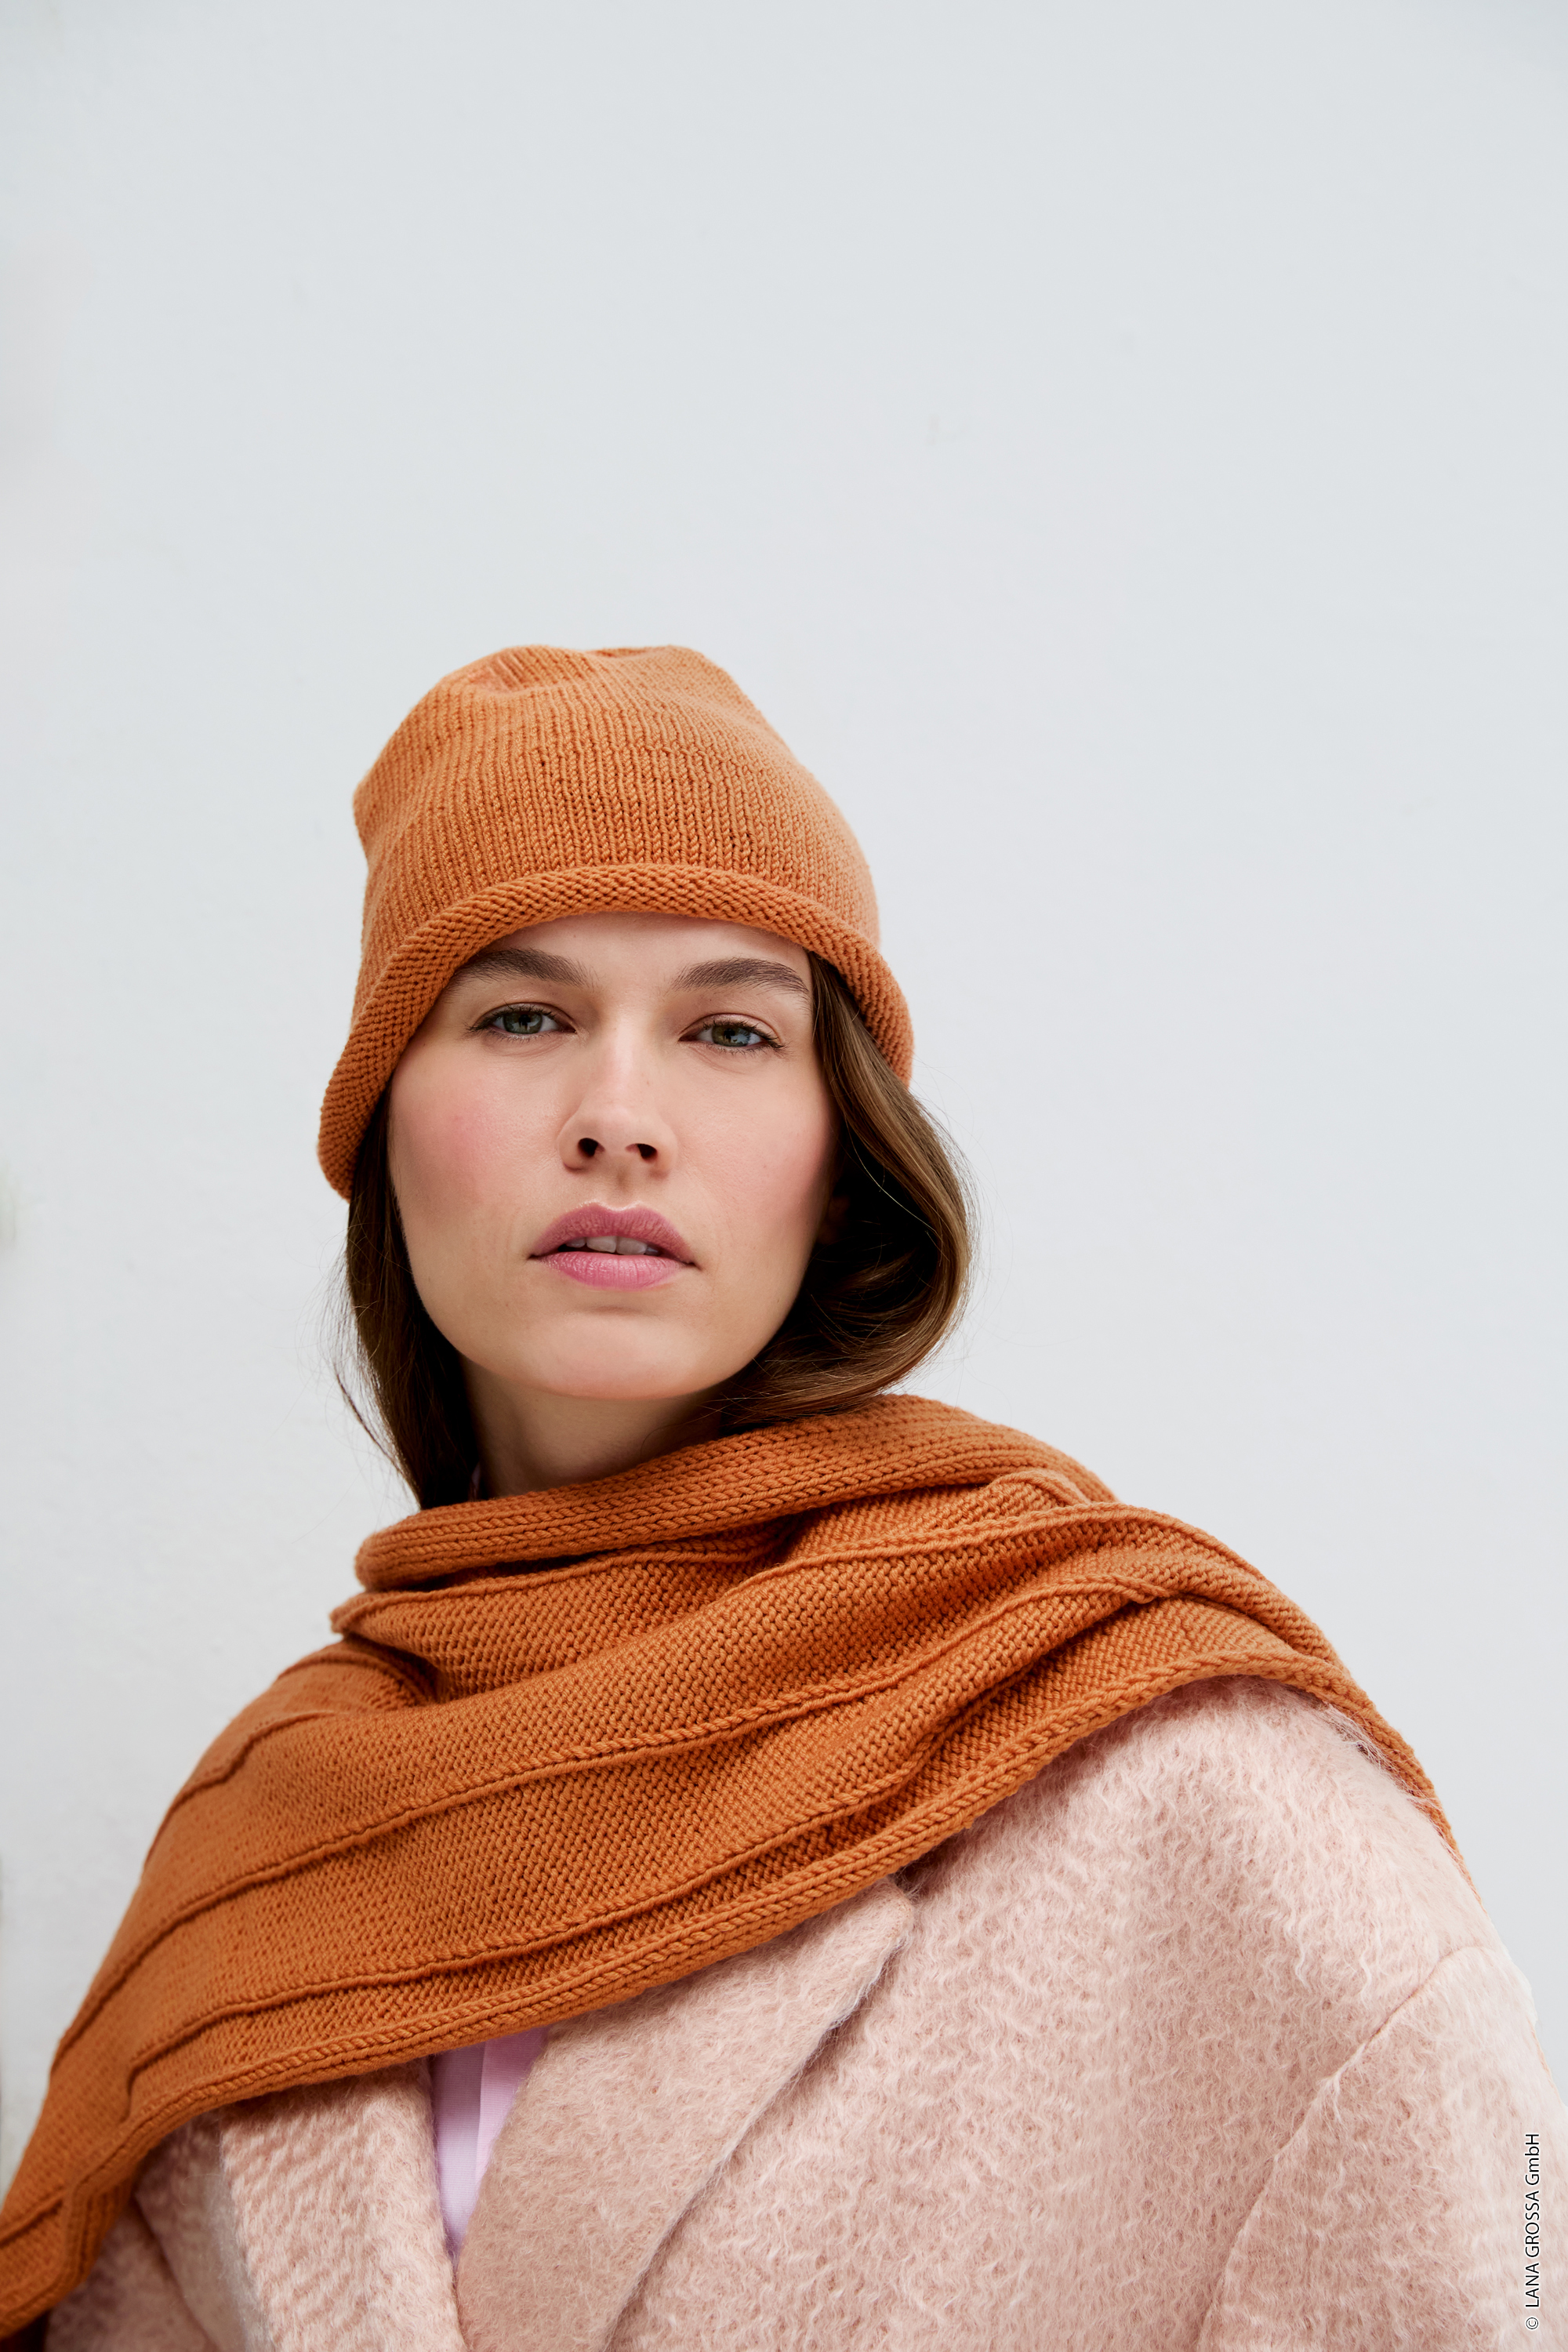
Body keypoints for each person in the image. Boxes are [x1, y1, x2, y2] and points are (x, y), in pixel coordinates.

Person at [2, 645, 1560, 2352]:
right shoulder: (261, 1860)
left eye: (730, 1029)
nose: (617, 1117)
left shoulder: (1192, 1784)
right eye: (522, 1016)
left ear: (842, 1161)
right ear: (383, 1129)